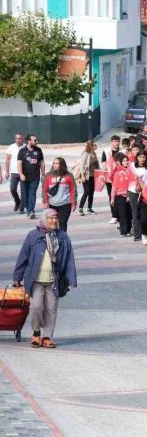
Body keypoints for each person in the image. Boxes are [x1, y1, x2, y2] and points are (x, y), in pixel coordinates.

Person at [12, 209, 77, 349]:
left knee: (51, 308)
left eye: (56, 218)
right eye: (51, 218)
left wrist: (71, 279)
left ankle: (47, 336)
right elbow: (23, 256)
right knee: (36, 307)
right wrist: (17, 276)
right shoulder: (33, 236)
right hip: (36, 280)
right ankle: (36, 332)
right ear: (44, 219)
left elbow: (69, 260)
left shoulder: (62, 237)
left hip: (54, 280)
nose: (54, 221)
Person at [41, 157, 77, 232]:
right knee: (52, 224)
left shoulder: (68, 176)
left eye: (57, 163)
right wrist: (45, 202)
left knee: (63, 223)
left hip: (65, 204)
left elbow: (73, 190)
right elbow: (44, 190)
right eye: (54, 163)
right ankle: (54, 240)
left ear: (62, 165)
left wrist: (74, 203)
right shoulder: (48, 176)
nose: (54, 165)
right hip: (52, 205)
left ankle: (62, 241)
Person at [17, 134, 45, 219]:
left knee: (32, 193)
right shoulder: (22, 151)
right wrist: (21, 174)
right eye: (34, 140)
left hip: (35, 177)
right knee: (25, 194)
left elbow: (42, 163)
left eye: (36, 140)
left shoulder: (38, 150)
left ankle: (31, 210)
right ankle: (28, 208)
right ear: (29, 141)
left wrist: (43, 174)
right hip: (24, 177)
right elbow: (19, 163)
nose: (36, 142)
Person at [75, 140, 99, 215]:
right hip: (87, 176)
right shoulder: (85, 153)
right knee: (86, 192)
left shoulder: (94, 153)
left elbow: (97, 165)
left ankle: (89, 208)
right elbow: (81, 165)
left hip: (93, 176)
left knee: (91, 193)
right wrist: (82, 176)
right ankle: (80, 208)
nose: (96, 146)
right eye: (94, 145)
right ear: (90, 146)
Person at [5, 133, 25, 212]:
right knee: (12, 189)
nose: (17, 140)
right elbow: (7, 160)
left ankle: (22, 207)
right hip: (14, 172)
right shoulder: (11, 147)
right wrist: (7, 172)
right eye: (16, 138)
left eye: (19, 138)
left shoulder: (25, 147)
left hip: (24, 172)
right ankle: (17, 201)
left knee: (23, 190)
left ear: (22, 139)